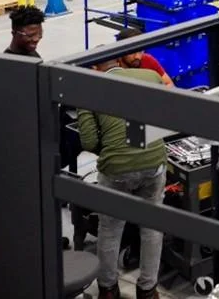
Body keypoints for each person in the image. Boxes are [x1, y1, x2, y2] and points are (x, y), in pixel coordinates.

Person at [79, 59, 168, 299]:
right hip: (154, 162)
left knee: (110, 227)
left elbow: (87, 142)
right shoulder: (149, 76)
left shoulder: (88, 87)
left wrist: (113, 145)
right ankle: (148, 290)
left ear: (94, 68)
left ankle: (108, 289)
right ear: (119, 61)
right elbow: (164, 116)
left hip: (117, 168)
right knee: (152, 227)